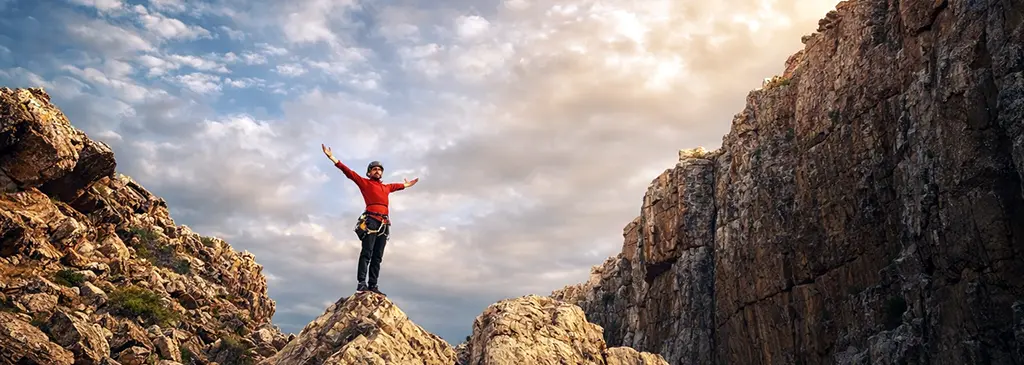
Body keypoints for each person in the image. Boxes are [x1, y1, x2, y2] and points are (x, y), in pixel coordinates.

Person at [322, 144, 419, 296]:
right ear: (369, 173)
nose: (377, 171)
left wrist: (407, 184)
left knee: (377, 257)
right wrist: (332, 157)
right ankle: (361, 284)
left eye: (379, 169)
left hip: (384, 223)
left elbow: (399, 186)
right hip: (371, 221)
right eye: (374, 169)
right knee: (366, 253)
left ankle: (373, 285)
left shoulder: (386, 187)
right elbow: (349, 173)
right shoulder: (365, 183)